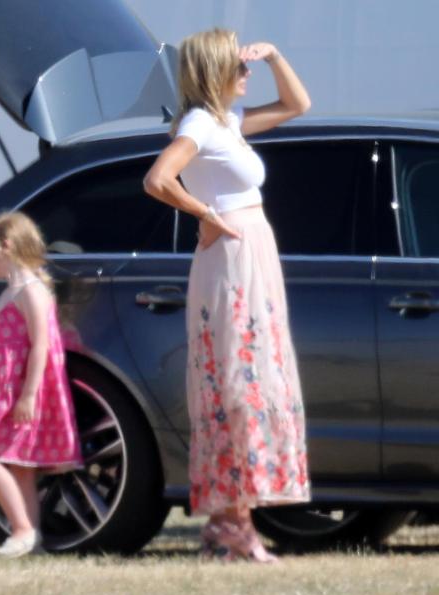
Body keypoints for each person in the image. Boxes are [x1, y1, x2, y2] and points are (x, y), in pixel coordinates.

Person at [143, 28, 312, 562]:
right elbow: (158, 179)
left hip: (250, 253)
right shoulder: (199, 125)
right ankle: (233, 523)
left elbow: (297, 104)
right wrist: (206, 214)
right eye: (238, 67)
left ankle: (229, 521)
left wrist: (276, 54)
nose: (247, 73)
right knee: (238, 380)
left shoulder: (226, 124)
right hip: (231, 256)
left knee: (252, 377)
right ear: (214, 72)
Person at [0, 212, 83, 558]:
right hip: (4, 391)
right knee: (20, 466)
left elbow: (42, 344)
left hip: (19, 393)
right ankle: (32, 539)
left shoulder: (31, 291)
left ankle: (22, 529)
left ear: (7, 247)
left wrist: (29, 394)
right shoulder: (14, 291)